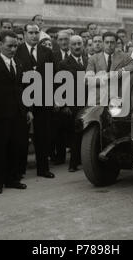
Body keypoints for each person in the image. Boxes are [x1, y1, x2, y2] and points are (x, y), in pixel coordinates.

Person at [0, 31, 32, 194]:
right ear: (0, 45)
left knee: (15, 147)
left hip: (18, 113)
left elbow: (24, 89)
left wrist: (28, 110)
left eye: (15, 45)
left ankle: (12, 179)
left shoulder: (20, 63)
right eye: (9, 45)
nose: (13, 49)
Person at [15, 22, 55, 179]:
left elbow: (53, 75)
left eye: (36, 33)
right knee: (21, 135)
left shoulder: (47, 52)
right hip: (23, 98)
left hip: (43, 98)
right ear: (25, 34)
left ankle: (43, 168)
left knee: (43, 135)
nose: (34, 36)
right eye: (30, 33)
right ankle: (19, 169)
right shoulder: (17, 51)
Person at [58, 36, 88, 172]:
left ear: (83, 45)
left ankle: (85, 160)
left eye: (79, 44)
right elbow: (60, 86)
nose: (77, 47)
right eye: (74, 44)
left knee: (86, 132)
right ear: (69, 47)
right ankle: (73, 163)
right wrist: (65, 105)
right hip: (74, 103)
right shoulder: (64, 63)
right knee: (75, 134)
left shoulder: (89, 61)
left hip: (88, 102)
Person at [52, 31, 71, 165]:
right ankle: (60, 156)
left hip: (74, 97)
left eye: (66, 40)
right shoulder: (53, 56)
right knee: (58, 129)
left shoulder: (78, 56)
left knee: (72, 128)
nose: (64, 42)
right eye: (61, 40)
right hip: (58, 96)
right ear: (57, 41)